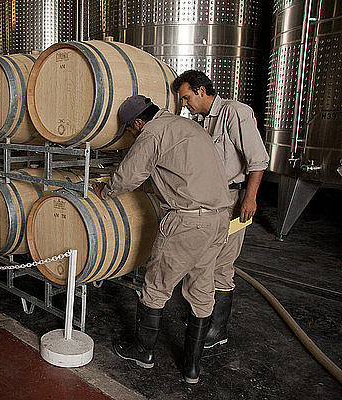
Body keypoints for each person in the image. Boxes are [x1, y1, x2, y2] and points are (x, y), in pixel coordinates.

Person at [93, 95, 232, 384]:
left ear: (139, 122)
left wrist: (104, 192)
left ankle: (142, 353)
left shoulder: (152, 133)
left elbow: (129, 175)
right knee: (202, 287)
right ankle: (192, 368)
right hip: (219, 217)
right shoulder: (184, 125)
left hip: (187, 221)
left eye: (130, 131)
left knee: (156, 286)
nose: (132, 136)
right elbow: (174, 172)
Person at [171, 70, 269, 349]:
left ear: (202, 91)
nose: (185, 105)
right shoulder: (201, 122)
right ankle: (202, 315)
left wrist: (250, 199)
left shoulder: (235, 113)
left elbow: (258, 161)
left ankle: (217, 328)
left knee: (223, 265)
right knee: (202, 261)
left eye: (187, 98)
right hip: (208, 201)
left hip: (233, 200)